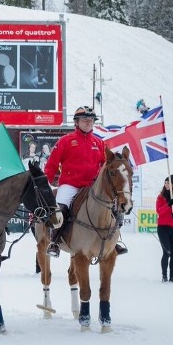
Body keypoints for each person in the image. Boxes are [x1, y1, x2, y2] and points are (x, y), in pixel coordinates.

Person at [44, 106, 128, 257]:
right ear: (76, 122)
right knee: (60, 208)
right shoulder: (65, 141)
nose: (88, 122)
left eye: (91, 120)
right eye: (85, 120)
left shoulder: (99, 143)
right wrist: (46, 183)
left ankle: (116, 241)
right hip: (71, 185)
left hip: (92, 186)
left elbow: (106, 166)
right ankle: (55, 242)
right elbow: (52, 164)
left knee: (115, 207)